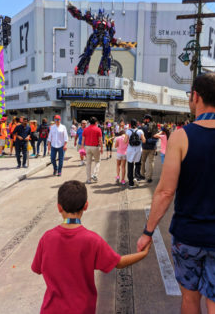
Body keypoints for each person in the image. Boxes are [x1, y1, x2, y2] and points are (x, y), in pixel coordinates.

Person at [137, 73, 215, 314]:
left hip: (188, 236)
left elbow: (165, 191)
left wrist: (148, 232)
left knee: (189, 299)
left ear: (195, 97)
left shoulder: (181, 137)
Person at [31, 180, 151, 314]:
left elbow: (36, 268)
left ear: (59, 207)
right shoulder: (92, 240)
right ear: (86, 206)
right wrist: (143, 254)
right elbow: (119, 263)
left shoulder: (47, 238)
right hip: (82, 309)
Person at [81, 117, 103, 184]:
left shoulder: (85, 129)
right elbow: (100, 140)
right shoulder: (98, 129)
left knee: (88, 163)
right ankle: (94, 174)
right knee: (97, 161)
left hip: (87, 147)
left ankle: (88, 179)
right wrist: (101, 148)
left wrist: (82, 148)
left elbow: (83, 140)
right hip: (95, 147)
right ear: (96, 122)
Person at [124, 119, 145, 188]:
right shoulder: (140, 131)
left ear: (130, 124)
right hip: (138, 149)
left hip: (130, 150)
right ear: (137, 124)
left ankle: (131, 183)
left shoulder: (128, 131)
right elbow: (144, 140)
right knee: (138, 163)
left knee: (130, 164)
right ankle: (136, 177)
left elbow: (125, 141)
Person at [140, 114, 158, 183]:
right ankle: (149, 177)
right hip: (152, 147)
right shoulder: (155, 126)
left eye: (145, 119)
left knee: (143, 161)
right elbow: (156, 137)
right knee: (151, 162)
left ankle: (142, 174)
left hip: (145, 147)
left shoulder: (143, 127)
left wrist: (146, 141)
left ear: (148, 119)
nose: (144, 120)